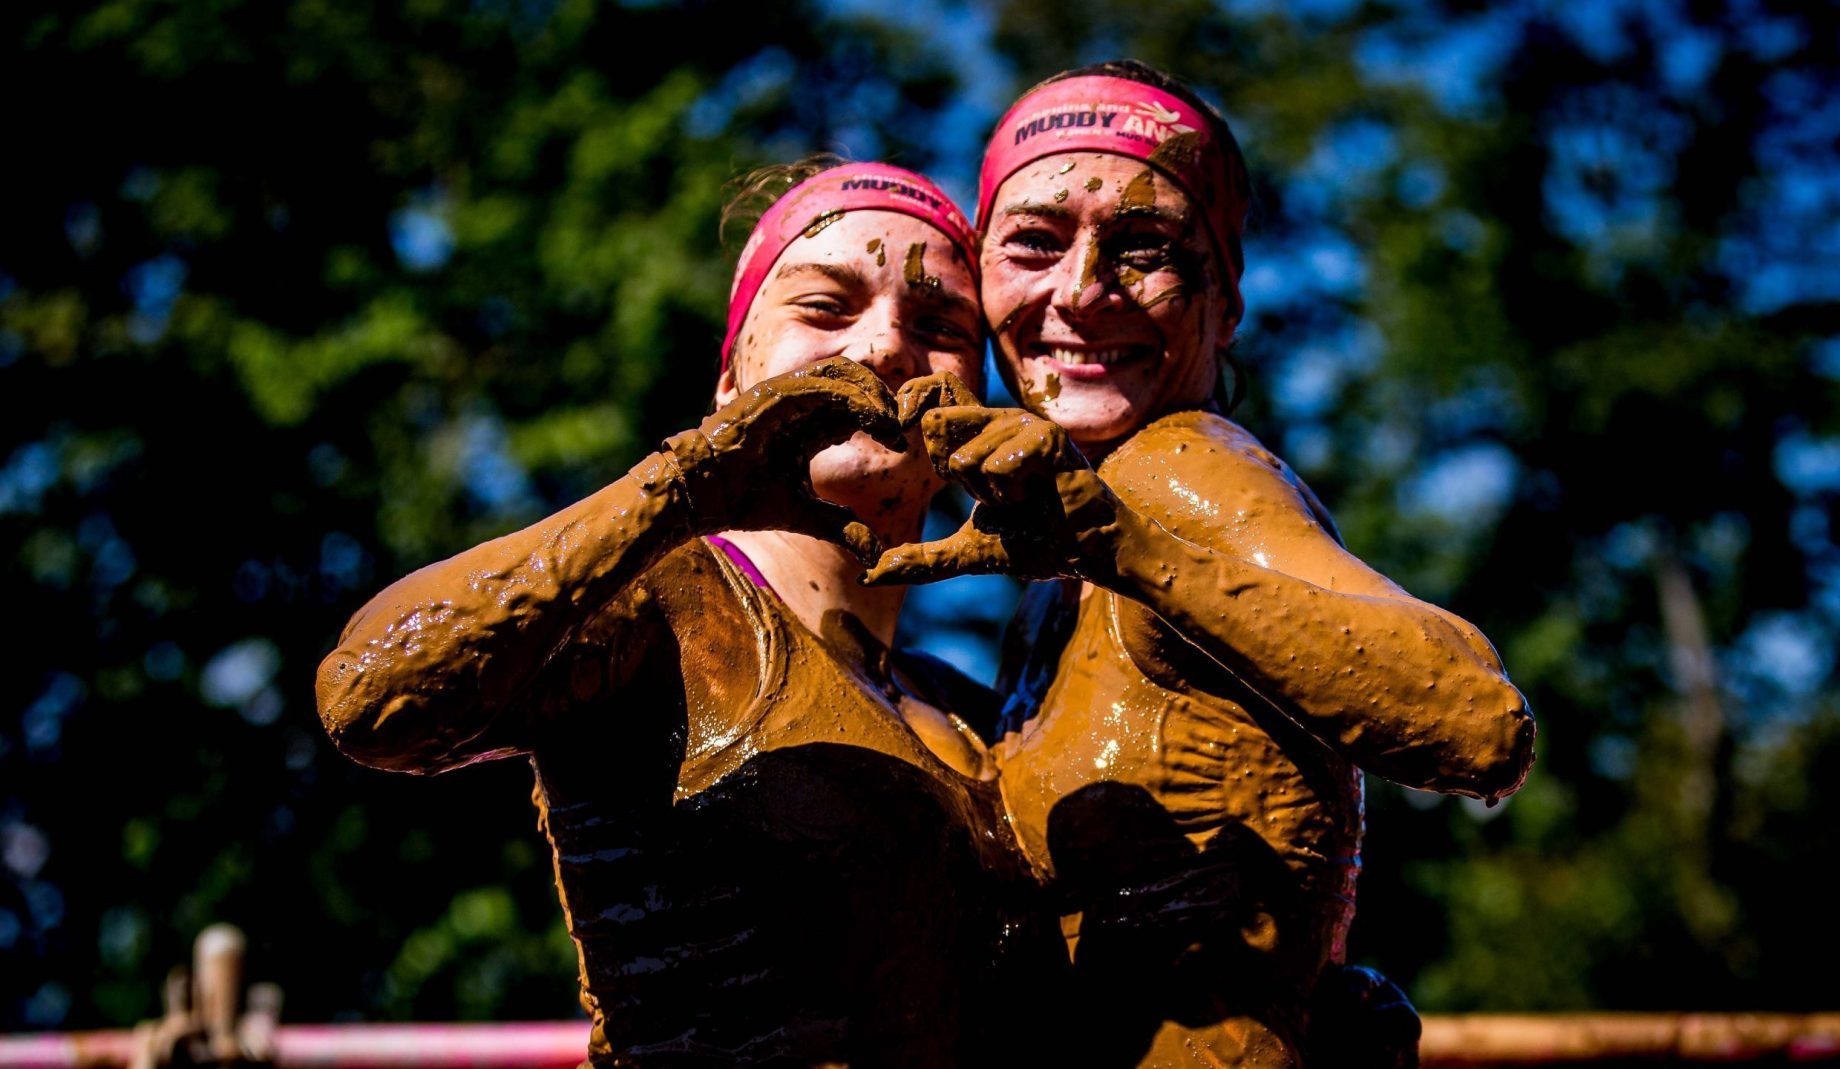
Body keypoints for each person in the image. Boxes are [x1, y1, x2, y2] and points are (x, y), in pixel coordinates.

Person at [317, 160, 1059, 1068]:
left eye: (941, 324)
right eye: (826, 309)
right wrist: (681, 487)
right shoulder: (669, 596)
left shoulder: (971, 709)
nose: (885, 346)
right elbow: (369, 694)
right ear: (731, 379)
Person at [868, 62, 1536, 1067]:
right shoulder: (1070, 556)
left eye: (1146, 250)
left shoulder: (1179, 477)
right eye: (1035, 244)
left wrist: (1132, 549)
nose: (1083, 291)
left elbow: (1478, 723)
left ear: (1223, 306)